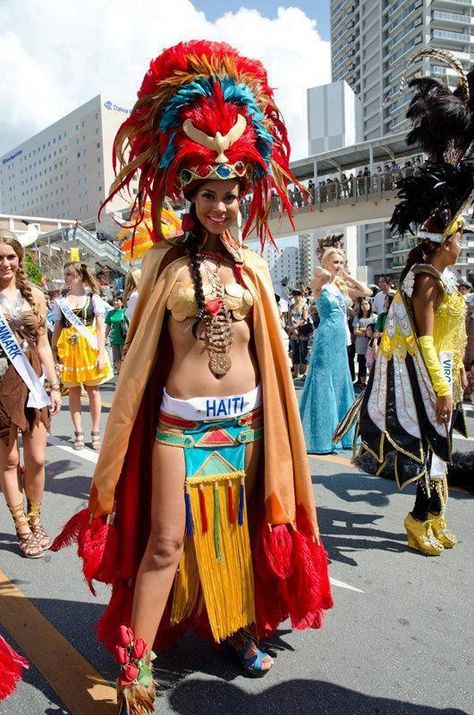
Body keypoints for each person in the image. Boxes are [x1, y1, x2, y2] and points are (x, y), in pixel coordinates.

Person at [52, 41, 332, 715]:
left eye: (232, 196)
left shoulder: (257, 271)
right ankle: (136, 657)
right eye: (210, 195)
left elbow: (269, 354)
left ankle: (238, 626)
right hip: (180, 425)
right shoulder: (164, 267)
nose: (222, 207)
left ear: (243, 196)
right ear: (191, 194)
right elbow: (142, 360)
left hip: (249, 423)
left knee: (240, 533)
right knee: (167, 541)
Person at [336, 49, 473, 555]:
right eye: (461, 233)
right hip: (424, 374)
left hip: (442, 371)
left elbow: (449, 334)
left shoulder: (443, 273)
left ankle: (434, 516)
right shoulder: (426, 278)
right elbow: (421, 331)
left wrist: (456, 372)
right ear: (442, 240)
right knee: (435, 448)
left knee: (444, 449)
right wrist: (440, 383)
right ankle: (420, 519)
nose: (464, 240)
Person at [0, 231, 61, 558]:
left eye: (10, 256)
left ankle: (36, 517)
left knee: (37, 458)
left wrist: (53, 384)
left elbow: (42, 345)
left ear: (19, 259)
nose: (5, 263)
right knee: (9, 460)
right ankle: (22, 527)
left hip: (33, 378)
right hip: (0, 384)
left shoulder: (34, 295)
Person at [300, 247, 371, 454]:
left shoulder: (340, 288)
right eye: (335, 262)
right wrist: (328, 272)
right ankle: (320, 438)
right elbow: (317, 272)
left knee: (340, 381)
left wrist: (346, 276)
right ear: (326, 262)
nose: (339, 266)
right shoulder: (320, 284)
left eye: (341, 262)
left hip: (340, 339)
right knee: (323, 382)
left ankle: (343, 434)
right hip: (325, 337)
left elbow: (366, 292)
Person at [51, 262, 112, 450]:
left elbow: (101, 327)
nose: (66, 278)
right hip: (69, 349)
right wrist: (53, 354)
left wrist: (101, 352)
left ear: (79, 276)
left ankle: (95, 431)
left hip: (89, 348)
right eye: (65, 274)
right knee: (74, 392)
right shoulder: (61, 301)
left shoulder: (93, 297)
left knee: (93, 391)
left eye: (69, 274)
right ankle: (78, 431)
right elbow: (57, 327)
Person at [353, 297, 377, 387]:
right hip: (361, 345)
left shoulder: (375, 317)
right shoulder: (358, 318)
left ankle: (372, 382)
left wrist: (363, 330)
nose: (364, 306)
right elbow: (355, 331)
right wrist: (368, 332)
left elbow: (375, 330)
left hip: (372, 345)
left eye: (366, 304)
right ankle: (363, 383)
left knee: (372, 364)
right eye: (362, 304)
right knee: (362, 363)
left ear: (370, 305)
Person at [287, 289, 309, 378]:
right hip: (293, 333)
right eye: (295, 295)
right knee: (295, 351)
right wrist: (292, 328)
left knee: (304, 351)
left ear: (302, 296)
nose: (297, 297)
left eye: (299, 295)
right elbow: (288, 318)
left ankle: (305, 373)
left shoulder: (305, 306)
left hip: (303, 331)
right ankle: (296, 372)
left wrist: (296, 327)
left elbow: (305, 318)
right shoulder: (291, 306)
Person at [105, 294, 127, 374]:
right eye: (114, 300)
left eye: (117, 300)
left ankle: (124, 377)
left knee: (125, 359)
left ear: (121, 302)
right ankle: (120, 377)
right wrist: (104, 337)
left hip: (124, 340)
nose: (115, 302)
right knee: (116, 359)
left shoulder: (125, 311)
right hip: (114, 339)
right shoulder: (110, 313)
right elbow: (108, 326)